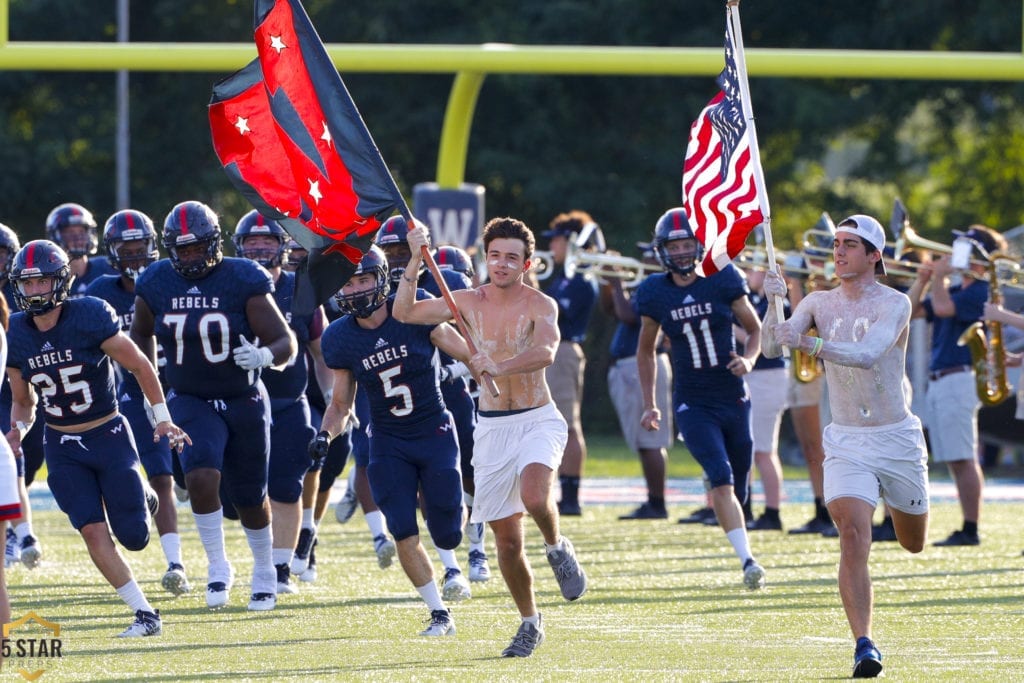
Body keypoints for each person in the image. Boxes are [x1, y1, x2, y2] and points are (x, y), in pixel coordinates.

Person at [395, 216, 588, 658]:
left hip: (538, 418)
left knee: (536, 496)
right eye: (495, 255)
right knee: (506, 541)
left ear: (527, 262)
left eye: (511, 258)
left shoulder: (541, 304)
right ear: (486, 258)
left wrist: (497, 366)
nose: (501, 264)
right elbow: (405, 313)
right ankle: (530, 622)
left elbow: (546, 352)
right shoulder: (465, 299)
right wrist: (411, 259)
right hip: (492, 428)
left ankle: (557, 547)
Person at [762, 213, 929, 679]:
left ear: (875, 255)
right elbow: (773, 349)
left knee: (912, 542)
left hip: (896, 436)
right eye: (836, 243)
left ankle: (901, 515)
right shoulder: (817, 299)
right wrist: (773, 305)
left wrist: (810, 343)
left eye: (850, 245)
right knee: (853, 533)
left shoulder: (895, 303)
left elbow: (867, 353)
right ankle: (864, 644)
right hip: (848, 439)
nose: (838, 252)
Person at [5, 239, 191, 637]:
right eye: (28, 284)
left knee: (136, 537)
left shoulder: (89, 315)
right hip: (62, 445)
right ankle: (144, 614)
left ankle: (144, 494)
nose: (35, 291)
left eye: (42, 283)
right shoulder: (16, 334)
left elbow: (140, 365)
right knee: (91, 529)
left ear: (60, 282)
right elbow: (24, 401)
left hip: (108, 433)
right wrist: (18, 430)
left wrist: (162, 418)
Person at [130, 200, 297, 612]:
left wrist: (263, 357)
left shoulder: (242, 278)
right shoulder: (155, 283)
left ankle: (263, 569)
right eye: (181, 250)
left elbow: (285, 342)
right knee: (201, 476)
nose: (189, 257)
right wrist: (154, 389)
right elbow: (139, 342)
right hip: (190, 397)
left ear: (214, 244)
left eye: (195, 248)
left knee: (250, 495)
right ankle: (218, 565)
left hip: (243, 397)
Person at [313, 244, 471, 637]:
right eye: (347, 283)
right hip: (387, 439)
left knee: (448, 531)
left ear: (382, 279)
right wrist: (324, 435)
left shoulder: (415, 312)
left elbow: (468, 353)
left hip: (433, 430)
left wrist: (491, 374)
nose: (354, 290)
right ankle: (439, 613)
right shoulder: (339, 337)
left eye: (363, 279)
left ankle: (459, 545)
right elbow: (340, 403)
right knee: (402, 528)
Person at [636, 208, 766, 590]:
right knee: (721, 478)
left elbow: (755, 331)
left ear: (699, 244)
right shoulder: (654, 292)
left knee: (739, 485)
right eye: (673, 245)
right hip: (693, 401)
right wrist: (650, 402)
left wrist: (750, 359)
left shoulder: (723, 276)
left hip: (733, 396)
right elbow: (646, 351)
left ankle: (740, 541)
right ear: (662, 250)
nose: (680, 252)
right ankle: (748, 562)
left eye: (686, 243)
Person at [85, 209, 192, 596]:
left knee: (196, 476)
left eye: (140, 248)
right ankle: (175, 562)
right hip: (131, 392)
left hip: (184, 386)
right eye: (125, 250)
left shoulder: (170, 280)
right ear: (112, 252)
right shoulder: (99, 293)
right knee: (160, 476)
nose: (133, 257)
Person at [375, 218, 478, 594]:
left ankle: (475, 547)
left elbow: (470, 337)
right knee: (414, 490)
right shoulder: (374, 290)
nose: (399, 259)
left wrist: (463, 366)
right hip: (400, 403)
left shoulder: (448, 282)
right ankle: (452, 568)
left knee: (468, 473)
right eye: (392, 252)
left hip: (450, 396)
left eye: (405, 251)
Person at [232, 210, 330, 595]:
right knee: (237, 494)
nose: (258, 248)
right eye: (252, 242)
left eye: (267, 241)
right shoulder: (228, 285)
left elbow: (320, 355)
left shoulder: (301, 289)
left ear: (282, 245)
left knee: (286, 487)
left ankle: (280, 569)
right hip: (238, 403)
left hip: (290, 399)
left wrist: (338, 402)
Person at [905, 224, 1007, 547]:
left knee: (963, 457)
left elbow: (945, 308)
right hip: (942, 378)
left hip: (959, 376)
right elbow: (914, 311)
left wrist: (938, 278)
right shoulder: (959, 289)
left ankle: (970, 528)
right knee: (954, 457)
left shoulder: (980, 290)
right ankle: (967, 525)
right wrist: (923, 278)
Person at [600, 242, 674, 520]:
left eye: (650, 253)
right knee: (644, 440)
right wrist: (609, 282)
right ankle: (654, 501)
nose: (643, 257)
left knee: (650, 439)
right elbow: (611, 308)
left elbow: (628, 315)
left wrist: (618, 281)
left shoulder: (659, 287)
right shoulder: (647, 286)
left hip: (641, 365)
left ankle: (657, 502)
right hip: (630, 365)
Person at [541, 211, 600, 516]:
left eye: (558, 240)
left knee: (567, 424)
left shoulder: (579, 279)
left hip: (563, 350)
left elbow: (555, 316)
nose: (552, 247)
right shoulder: (563, 277)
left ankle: (572, 494)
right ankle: (560, 491)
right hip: (553, 350)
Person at [0, 222, 43, 570]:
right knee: (11, 459)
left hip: (22, 387)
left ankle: (21, 532)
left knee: (23, 457)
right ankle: (22, 533)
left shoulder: (25, 290)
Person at [737, 263, 790, 531]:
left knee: (764, 451)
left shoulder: (776, 302)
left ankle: (772, 512)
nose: (748, 274)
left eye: (752, 269)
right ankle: (749, 508)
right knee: (755, 449)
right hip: (758, 378)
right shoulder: (756, 299)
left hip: (767, 377)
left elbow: (760, 336)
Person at [44, 202, 117, 297]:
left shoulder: (109, 268)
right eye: (70, 232)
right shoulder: (48, 280)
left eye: (82, 231)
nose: (78, 237)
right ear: (55, 236)